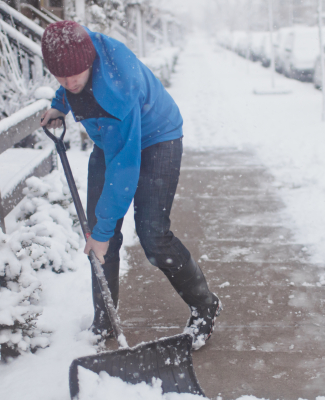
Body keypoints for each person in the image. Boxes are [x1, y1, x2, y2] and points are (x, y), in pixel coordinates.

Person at [39, 21, 221, 350]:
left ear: (90, 61)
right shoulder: (75, 49)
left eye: (75, 75)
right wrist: (59, 102)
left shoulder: (117, 89)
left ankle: (205, 306)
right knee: (96, 235)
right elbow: (69, 83)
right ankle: (104, 320)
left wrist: (105, 231)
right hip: (112, 139)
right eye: (60, 77)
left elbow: (125, 169)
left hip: (157, 137)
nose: (69, 82)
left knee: (152, 235)